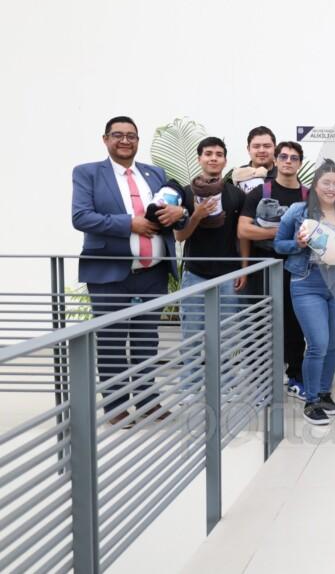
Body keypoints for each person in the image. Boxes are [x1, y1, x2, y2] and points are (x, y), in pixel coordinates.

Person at [71, 116, 188, 426]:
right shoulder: (88, 173)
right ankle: (116, 405)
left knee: (146, 341)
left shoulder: (155, 173)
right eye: (118, 135)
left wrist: (180, 213)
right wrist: (129, 224)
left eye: (131, 136)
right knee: (111, 341)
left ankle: (148, 399)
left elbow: (172, 212)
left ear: (138, 140)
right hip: (108, 273)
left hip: (153, 274)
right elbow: (81, 217)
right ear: (105, 139)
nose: (125, 140)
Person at [274, 159, 335, 425]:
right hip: (306, 282)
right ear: (315, 185)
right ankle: (311, 401)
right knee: (318, 343)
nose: (331, 188)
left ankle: (325, 394)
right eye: (326, 183)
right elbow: (279, 244)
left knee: (332, 344)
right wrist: (298, 244)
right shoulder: (298, 211)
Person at [238, 141, 308, 399]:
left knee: (295, 325)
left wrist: (266, 231)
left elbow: (315, 232)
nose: (288, 161)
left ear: (300, 163)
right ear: (276, 160)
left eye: (294, 157)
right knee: (261, 323)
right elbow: (244, 230)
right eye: (284, 156)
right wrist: (283, 232)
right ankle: (261, 381)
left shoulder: (309, 196)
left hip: (297, 269)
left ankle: (296, 376)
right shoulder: (259, 192)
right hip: (263, 266)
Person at [174, 137, 247, 379]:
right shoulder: (186, 193)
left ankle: (224, 384)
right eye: (208, 154)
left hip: (228, 275)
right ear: (199, 159)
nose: (213, 158)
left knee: (226, 335)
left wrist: (243, 268)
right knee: (192, 334)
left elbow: (241, 235)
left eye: (218, 154)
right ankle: (191, 386)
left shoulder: (236, 194)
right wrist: (196, 215)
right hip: (194, 273)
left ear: (225, 160)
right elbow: (179, 236)